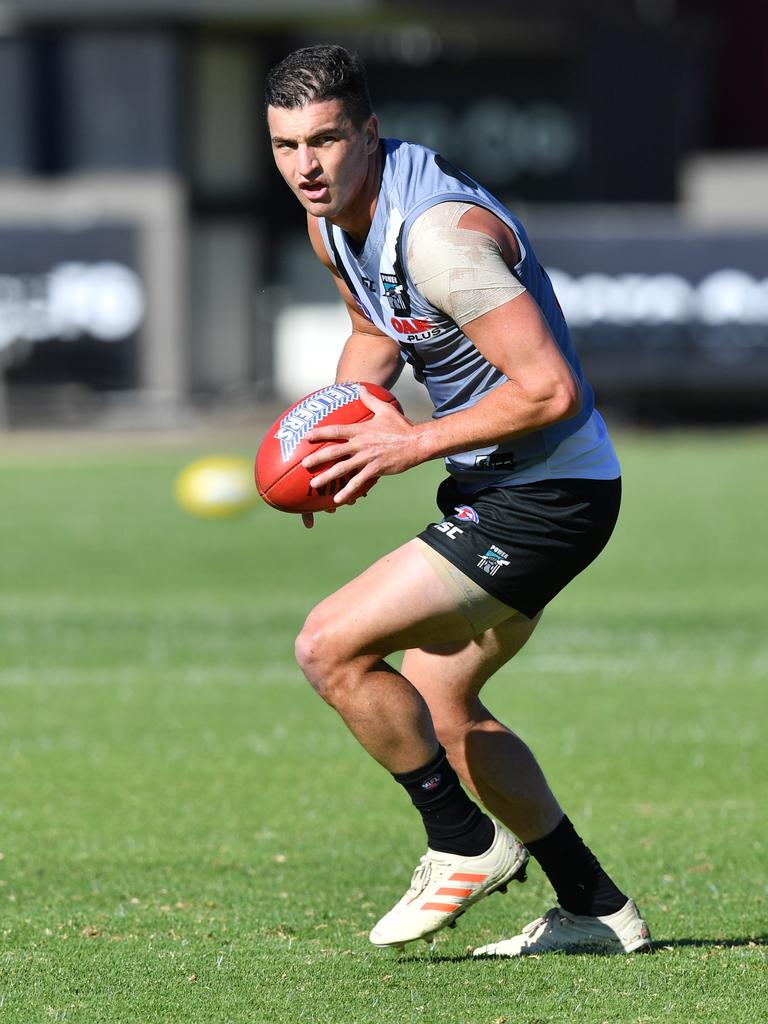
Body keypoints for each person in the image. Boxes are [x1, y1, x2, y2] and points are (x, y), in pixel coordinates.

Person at [264, 44, 652, 957]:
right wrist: (336, 435)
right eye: (285, 146)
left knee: (328, 646)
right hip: (504, 483)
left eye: (325, 140)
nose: (306, 167)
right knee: (445, 707)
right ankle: (595, 908)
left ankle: (462, 843)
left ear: (369, 131)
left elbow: (550, 390)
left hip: (549, 492)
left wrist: (406, 442)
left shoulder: (439, 238)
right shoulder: (332, 222)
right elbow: (371, 328)